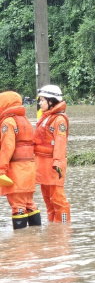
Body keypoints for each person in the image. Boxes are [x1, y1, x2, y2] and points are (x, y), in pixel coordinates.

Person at [0, 91, 40, 229]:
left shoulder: (8, 122)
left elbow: (7, 147)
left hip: (16, 170)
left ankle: (19, 244)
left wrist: (1, 170)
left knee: (18, 206)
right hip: (29, 168)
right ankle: (36, 237)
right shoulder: (25, 120)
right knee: (29, 204)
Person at [33, 85, 71, 223]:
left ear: (51, 101)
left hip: (53, 166)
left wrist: (58, 163)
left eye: (42, 100)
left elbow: (60, 143)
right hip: (42, 165)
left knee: (58, 200)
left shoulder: (59, 120)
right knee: (48, 201)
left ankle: (63, 228)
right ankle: (53, 230)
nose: (40, 103)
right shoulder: (44, 118)